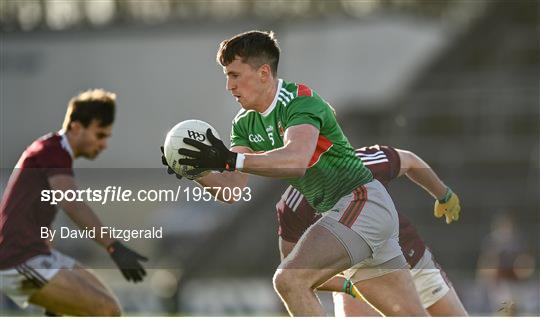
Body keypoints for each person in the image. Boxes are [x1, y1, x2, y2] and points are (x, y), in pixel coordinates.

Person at [163, 30, 430, 316]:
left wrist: (228, 158)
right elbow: (233, 189)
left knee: (290, 279)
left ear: (264, 73)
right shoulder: (244, 123)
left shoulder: (300, 101)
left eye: (235, 75)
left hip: (361, 202)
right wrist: (197, 170)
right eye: (226, 76)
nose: (229, 86)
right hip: (350, 213)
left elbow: (295, 160)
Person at [0, 89, 148, 316]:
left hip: (36, 254)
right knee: (106, 311)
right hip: (19, 260)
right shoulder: (53, 152)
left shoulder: (53, 150)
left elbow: (31, 210)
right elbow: (72, 204)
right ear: (76, 127)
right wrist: (113, 246)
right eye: (100, 135)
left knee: (112, 309)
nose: (104, 144)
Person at [276, 145, 467, 316]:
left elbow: (409, 160)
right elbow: (295, 268)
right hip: (360, 279)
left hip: (414, 260)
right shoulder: (294, 204)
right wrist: (346, 287)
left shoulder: (361, 162)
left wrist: (443, 194)